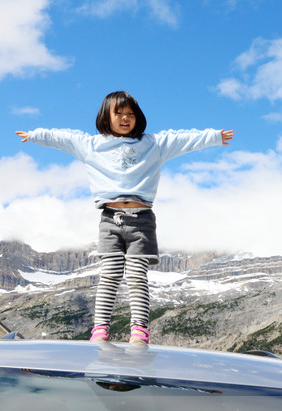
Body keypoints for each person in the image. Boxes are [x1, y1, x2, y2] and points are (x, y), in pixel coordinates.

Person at [16, 91, 233, 344]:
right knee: (110, 273)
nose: (125, 118)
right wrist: (35, 136)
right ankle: (100, 329)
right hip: (110, 219)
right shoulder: (91, 145)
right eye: (118, 113)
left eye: (130, 114)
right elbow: (62, 138)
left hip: (142, 220)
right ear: (106, 117)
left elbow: (183, 139)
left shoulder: (153, 144)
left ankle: (139, 329)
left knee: (137, 276)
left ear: (138, 117)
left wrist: (214, 137)